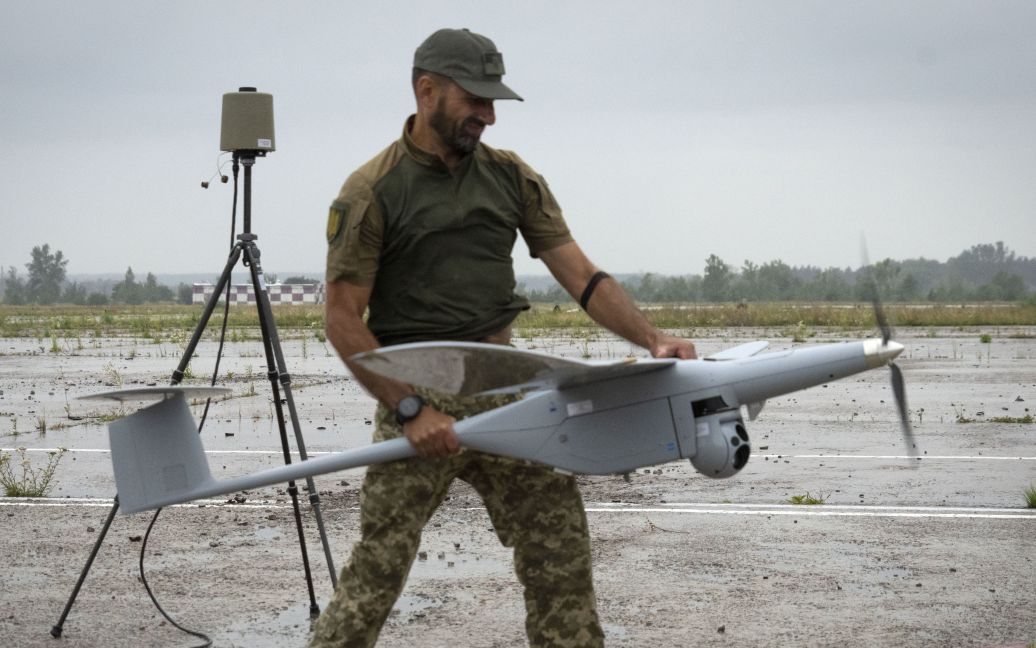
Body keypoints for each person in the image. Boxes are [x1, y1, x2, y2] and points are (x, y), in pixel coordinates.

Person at [311, 27, 697, 648]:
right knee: (376, 575)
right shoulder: (372, 190)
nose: (488, 116)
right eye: (476, 100)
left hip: (509, 389)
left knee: (560, 557)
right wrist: (410, 408)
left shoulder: (512, 177)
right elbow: (342, 318)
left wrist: (652, 339)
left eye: (494, 103)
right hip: (416, 393)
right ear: (427, 89)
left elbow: (582, 276)